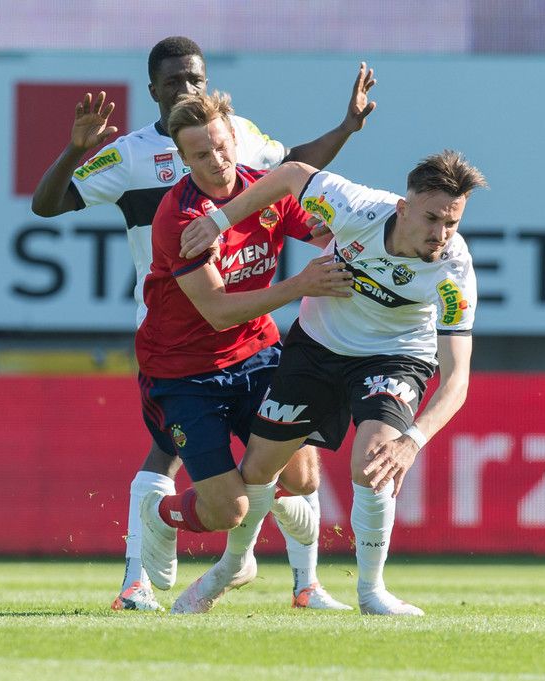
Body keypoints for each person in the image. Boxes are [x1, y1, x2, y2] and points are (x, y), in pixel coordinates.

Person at [31, 36, 375, 612]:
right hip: (180, 350)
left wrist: (351, 150)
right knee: (199, 483)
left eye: (195, 79)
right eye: (173, 82)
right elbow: (49, 203)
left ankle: (303, 584)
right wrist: (73, 151)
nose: (186, 90)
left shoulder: (245, 146)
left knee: (300, 473)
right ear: (155, 96)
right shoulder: (151, 178)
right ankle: (151, 554)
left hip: (253, 344)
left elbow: (298, 177)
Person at [174, 149, 485, 615]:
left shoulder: (453, 272)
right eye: (432, 219)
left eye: (452, 223)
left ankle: (371, 591)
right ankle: (234, 565)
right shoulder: (357, 208)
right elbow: (291, 174)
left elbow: (457, 379)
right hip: (317, 347)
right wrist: (218, 221)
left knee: (375, 462)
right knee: (258, 471)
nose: (441, 234)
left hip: (394, 356)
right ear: (403, 208)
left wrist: (412, 442)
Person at [134, 90, 360, 615]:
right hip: (184, 374)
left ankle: (302, 582)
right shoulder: (179, 218)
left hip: (256, 355)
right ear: (183, 160)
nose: (216, 160)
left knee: (302, 477)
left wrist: (362, 231)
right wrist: (300, 285)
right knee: (228, 510)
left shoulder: (264, 190)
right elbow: (217, 311)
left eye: (220, 146)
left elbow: (326, 232)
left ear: (233, 137)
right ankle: (162, 515)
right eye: (200, 154)